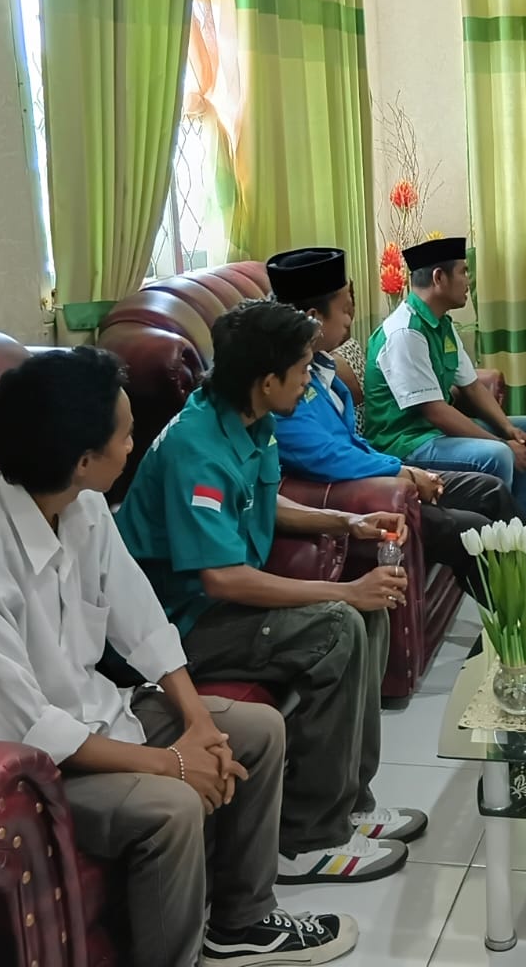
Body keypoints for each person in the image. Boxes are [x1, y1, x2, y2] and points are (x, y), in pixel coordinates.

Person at [0, 347, 356, 967]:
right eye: (127, 434)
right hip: (14, 775)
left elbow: (140, 619)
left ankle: (242, 923)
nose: (136, 446)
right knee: (172, 807)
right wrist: (171, 764)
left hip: (96, 717)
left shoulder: (81, 505)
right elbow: (29, 729)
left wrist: (198, 723)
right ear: (84, 459)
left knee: (258, 730)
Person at [115, 300, 426, 885]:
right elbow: (222, 577)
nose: (309, 379)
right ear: (266, 380)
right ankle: (307, 838)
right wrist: (340, 593)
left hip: (219, 603)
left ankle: (350, 802)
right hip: (181, 624)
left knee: (371, 609)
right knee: (337, 625)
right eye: (303, 368)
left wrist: (348, 523)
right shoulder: (196, 447)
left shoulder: (251, 418)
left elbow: (263, 500)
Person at [265, 247, 517, 602]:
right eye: (345, 310)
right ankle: (510, 618)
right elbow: (327, 455)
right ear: (313, 319)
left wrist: (407, 471)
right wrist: (404, 472)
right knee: (472, 527)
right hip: (358, 492)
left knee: (490, 492)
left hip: (376, 471)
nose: (350, 320)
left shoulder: (320, 369)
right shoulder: (283, 387)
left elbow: (352, 442)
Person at [363, 236, 526, 520]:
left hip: (434, 434)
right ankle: (498, 539)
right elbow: (435, 411)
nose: (469, 280)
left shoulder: (441, 323)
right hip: (406, 443)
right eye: (464, 271)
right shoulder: (405, 332)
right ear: (439, 278)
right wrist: (503, 444)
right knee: (498, 455)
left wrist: (508, 429)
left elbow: (472, 387)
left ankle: (514, 527)